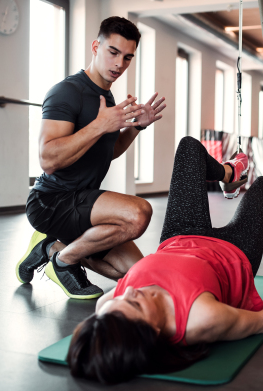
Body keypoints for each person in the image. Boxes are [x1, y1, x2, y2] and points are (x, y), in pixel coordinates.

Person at [66, 137, 263, 384]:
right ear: (153, 332)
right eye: (136, 305)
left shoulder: (107, 309)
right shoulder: (202, 318)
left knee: (189, 148)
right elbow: (261, 323)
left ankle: (230, 175)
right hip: (235, 252)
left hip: (179, 237)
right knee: (260, 188)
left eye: (120, 298)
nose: (129, 290)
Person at [15, 17, 167, 299]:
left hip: (84, 200)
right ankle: (62, 263)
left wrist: (136, 127)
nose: (120, 64)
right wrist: (99, 126)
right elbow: (47, 159)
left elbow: (107, 152)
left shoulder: (107, 99)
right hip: (52, 201)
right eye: (113, 52)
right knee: (139, 214)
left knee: (138, 273)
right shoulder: (67, 92)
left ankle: (51, 249)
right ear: (96, 46)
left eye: (127, 57)